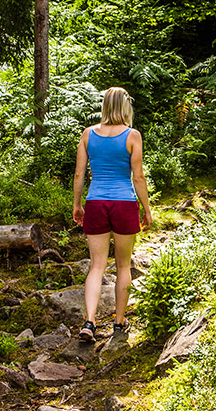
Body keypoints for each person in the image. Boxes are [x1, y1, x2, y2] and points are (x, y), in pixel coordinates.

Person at [72, 87, 152, 342]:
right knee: (123, 265)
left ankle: (89, 322)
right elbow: (138, 177)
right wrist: (147, 211)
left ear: (105, 105)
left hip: (95, 202)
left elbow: (79, 174)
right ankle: (119, 323)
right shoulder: (132, 135)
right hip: (124, 203)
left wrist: (77, 205)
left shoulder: (88, 134)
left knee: (96, 266)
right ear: (125, 106)